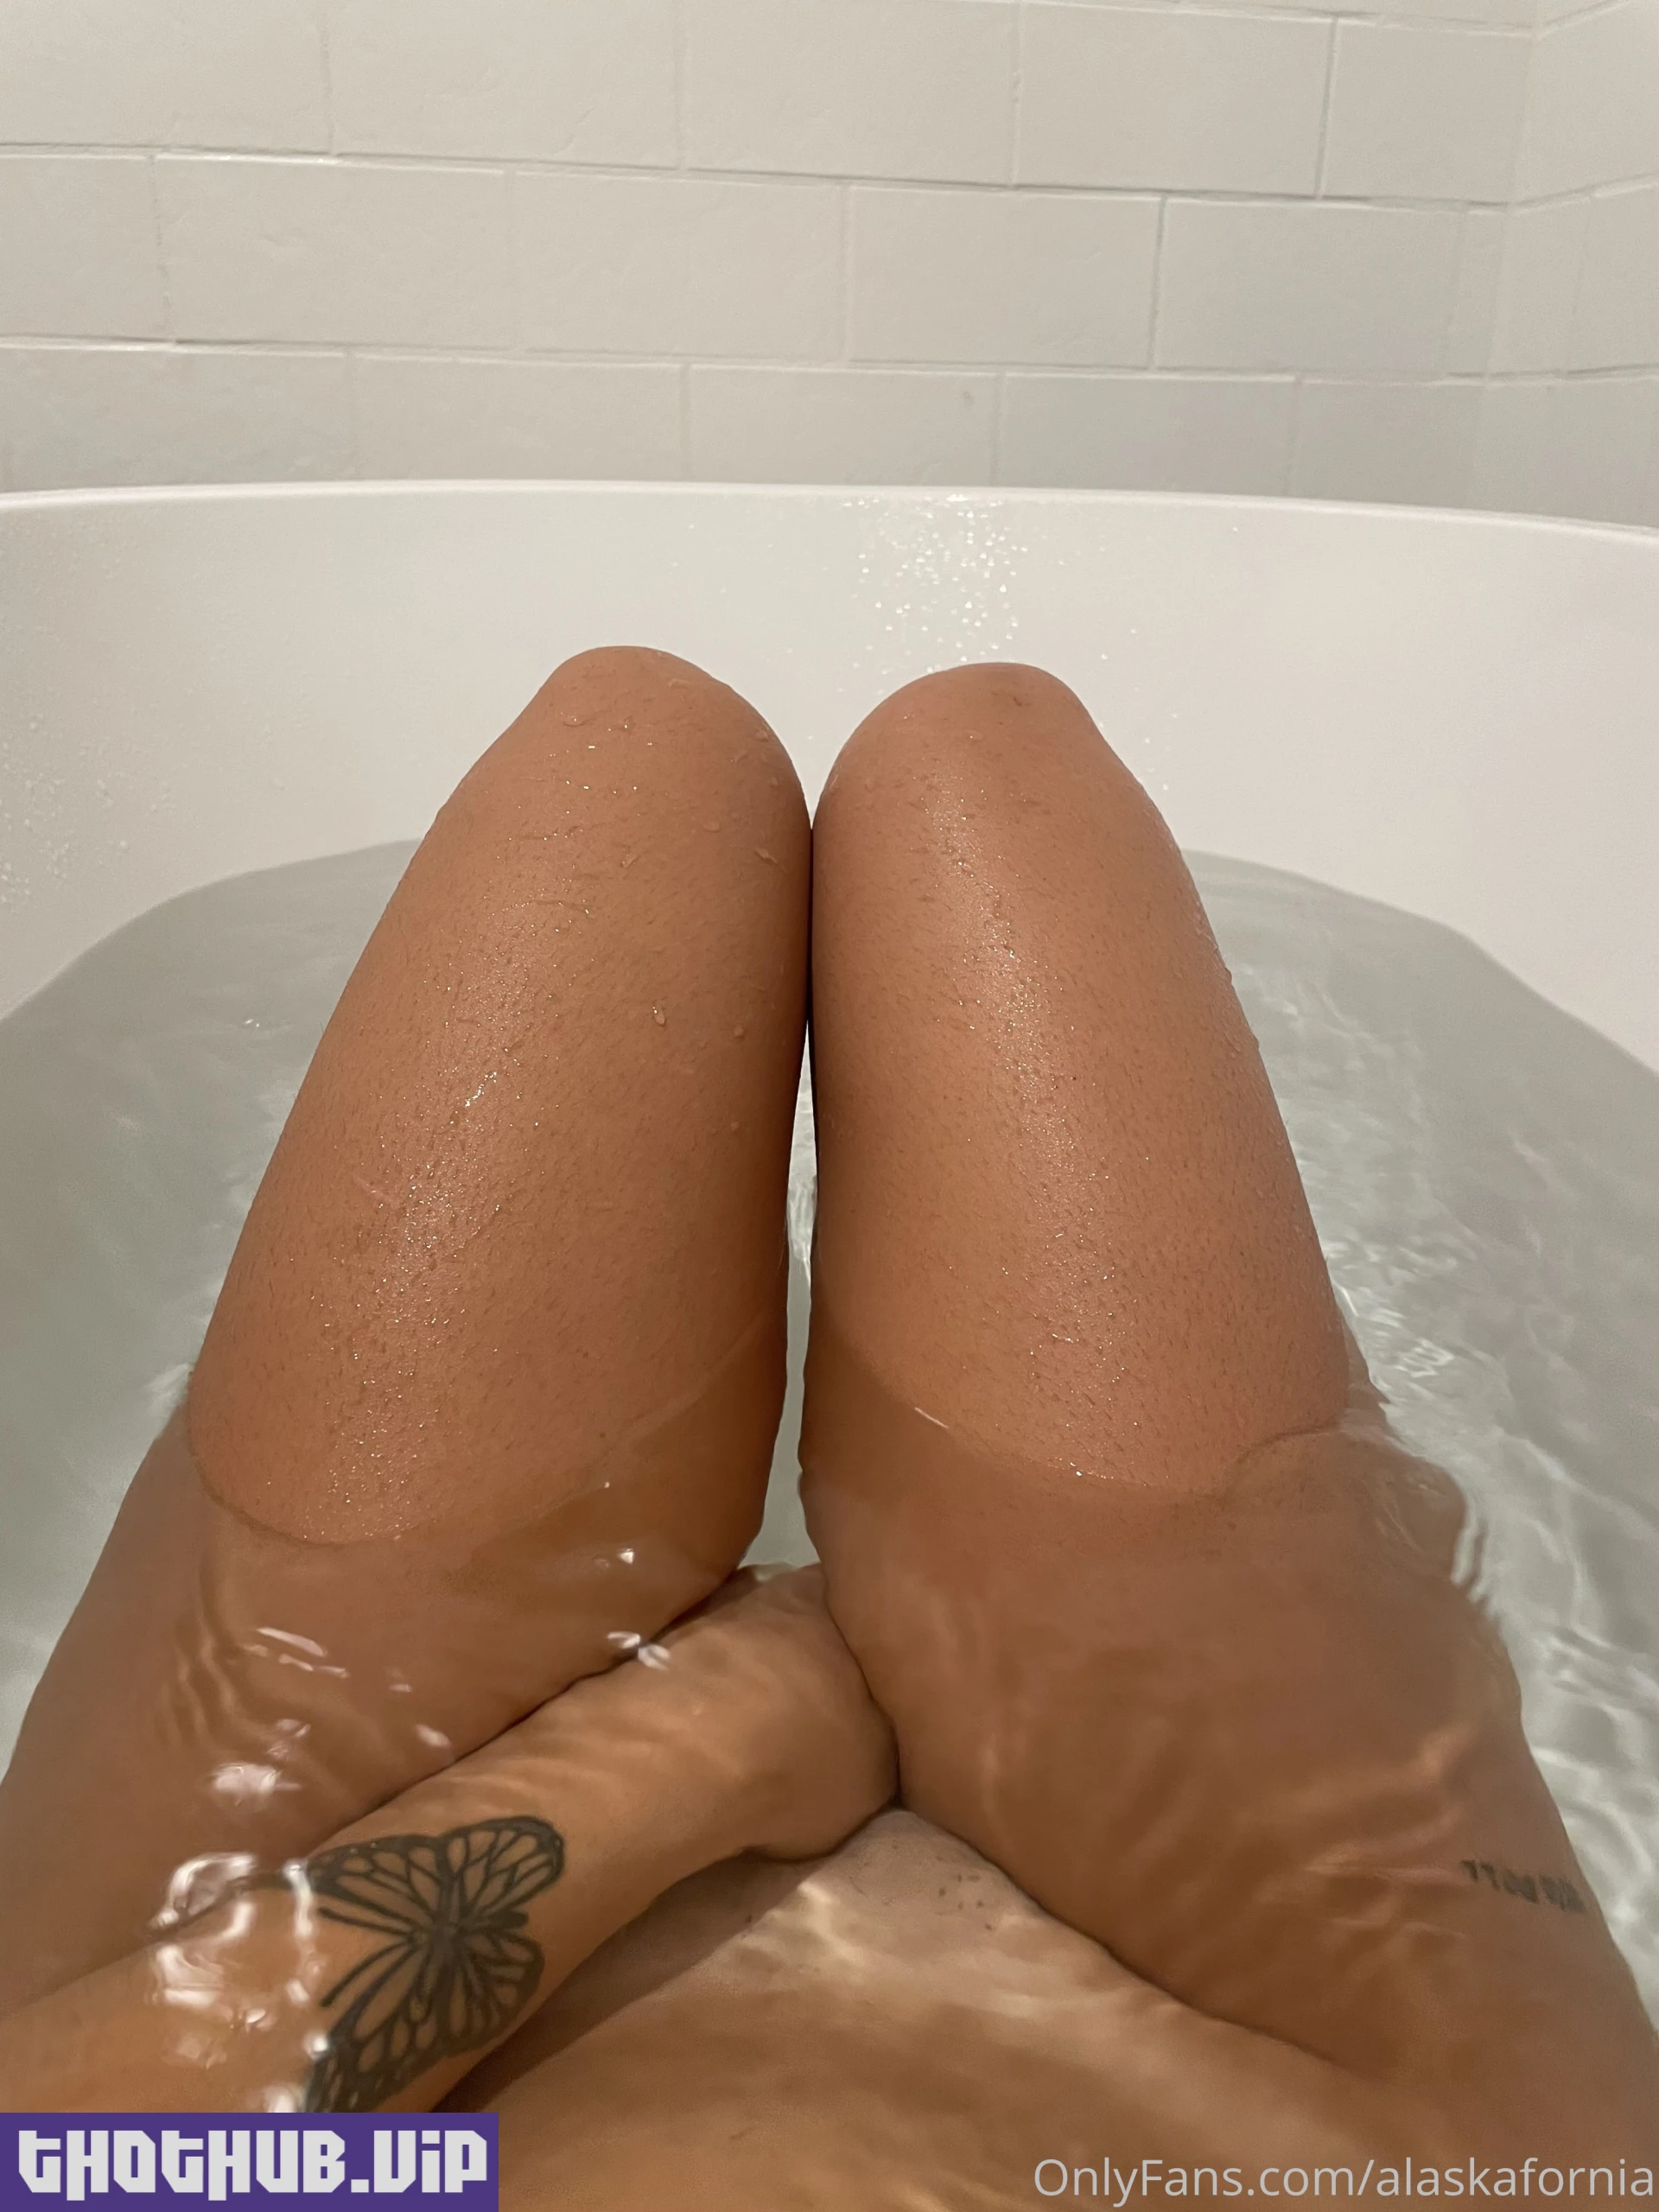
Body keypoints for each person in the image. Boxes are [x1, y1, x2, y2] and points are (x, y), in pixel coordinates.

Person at [0, 651, 1653, 2196]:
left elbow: (62, 2167)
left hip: (269, 1998)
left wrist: (698, 1745)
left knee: (634, 756)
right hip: (1296, 2035)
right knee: (986, 762)